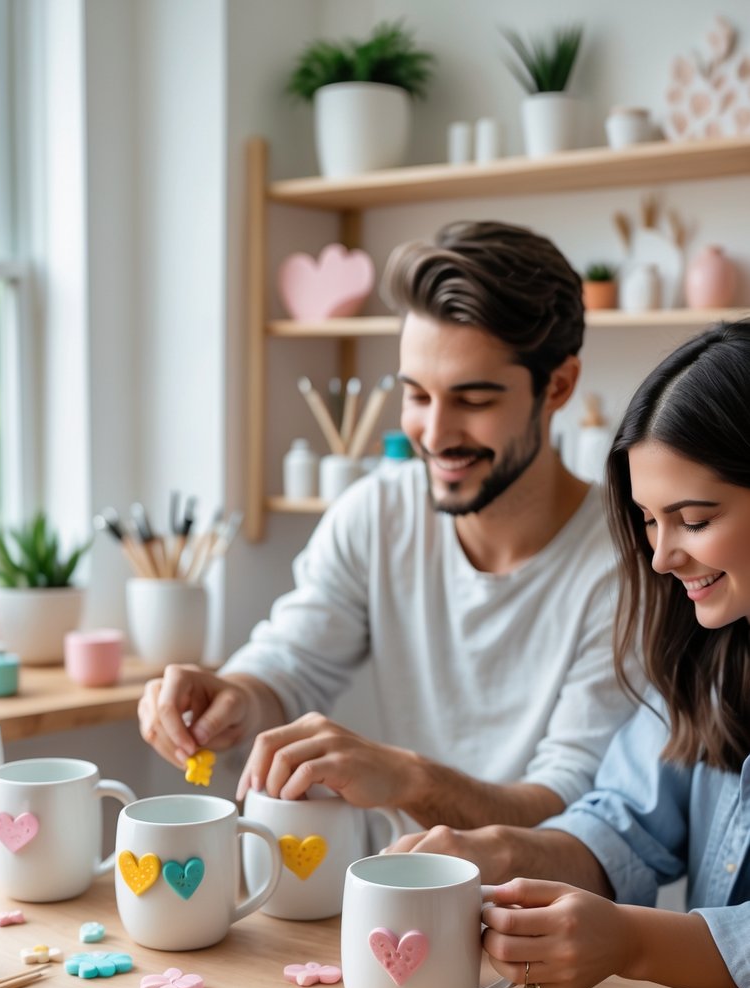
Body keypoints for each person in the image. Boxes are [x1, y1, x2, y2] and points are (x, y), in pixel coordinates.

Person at [138, 220, 635, 831]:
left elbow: (571, 807)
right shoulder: (377, 513)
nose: (435, 433)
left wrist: (407, 778)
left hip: (538, 917)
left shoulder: (627, 564)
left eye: (473, 400)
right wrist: (235, 697)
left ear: (557, 386)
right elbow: (290, 662)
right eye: (417, 395)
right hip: (390, 902)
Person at [389, 320, 750, 988]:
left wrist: (633, 943)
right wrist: (495, 852)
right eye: (648, 520)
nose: (661, 557)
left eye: (694, 519)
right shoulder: (710, 656)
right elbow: (627, 822)